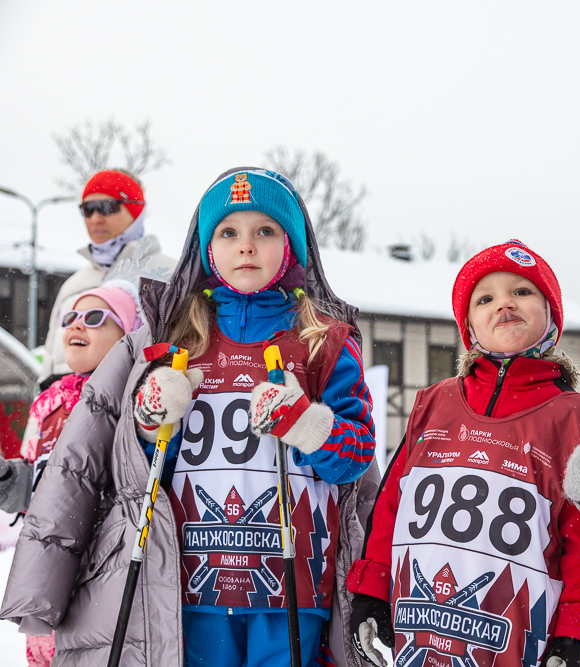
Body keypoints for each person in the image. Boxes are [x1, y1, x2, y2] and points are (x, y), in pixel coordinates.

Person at [1, 168, 379, 667]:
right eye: (228, 232)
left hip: (293, 586)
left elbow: (355, 459)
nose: (246, 246)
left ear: (291, 246)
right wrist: (152, 416)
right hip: (189, 580)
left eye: (264, 231)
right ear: (205, 249)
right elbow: (137, 468)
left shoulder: (323, 342)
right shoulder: (177, 338)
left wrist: (305, 423)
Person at [347, 240, 580, 667]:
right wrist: (373, 588)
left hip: (514, 633)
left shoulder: (575, 420)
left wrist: (575, 633)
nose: (504, 303)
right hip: (420, 624)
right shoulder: (434, 403)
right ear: (469, 325)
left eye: (522, 292)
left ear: (551, 316)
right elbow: (391, 506)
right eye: (485, 298)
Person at [0, 282, 141, 667]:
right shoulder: (49, 401)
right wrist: (8, 480)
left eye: (96, 318)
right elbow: (37, 485)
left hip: (101, 565)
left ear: (129, 335)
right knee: (47, 656)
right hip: (47, 568)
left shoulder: (130, 402)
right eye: (71, 318)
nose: (77, 326)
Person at [39, 169, 174, 384]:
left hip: (133, 409)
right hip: (64, 409)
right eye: (87, 209)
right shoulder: (74, 285)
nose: (96, 218)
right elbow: (51, 360)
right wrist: (42, 412)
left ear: (136, 211)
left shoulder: (169, 276)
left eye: (107, 207)